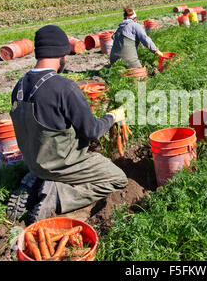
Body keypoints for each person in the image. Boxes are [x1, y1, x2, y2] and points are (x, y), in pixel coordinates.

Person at [7, 25, 128, 223]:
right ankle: (58, 195)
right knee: (117, 178)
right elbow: (92, 131)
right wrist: (112, 117)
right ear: (61, 53)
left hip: (33, 161)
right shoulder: (64, 87)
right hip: (62, 163)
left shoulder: (19, 85)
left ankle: (37, 179)